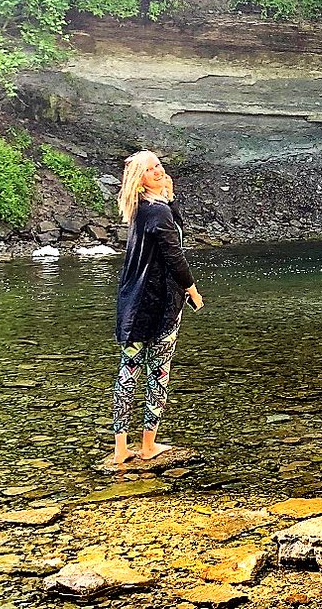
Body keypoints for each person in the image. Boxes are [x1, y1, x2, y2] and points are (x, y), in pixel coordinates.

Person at [111, 150, 203, 464]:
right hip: (161, 303)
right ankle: (148, 445)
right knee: (158, 373)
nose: (158, 172)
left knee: (128, 372)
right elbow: (175, 255)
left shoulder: (140, 208)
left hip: (133, 303)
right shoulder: (158, 212)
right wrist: (192, 289)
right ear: (140, 179)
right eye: (150, 170)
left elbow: (171, 225)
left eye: (159, 166)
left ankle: (121, 450)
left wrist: (169, 195)